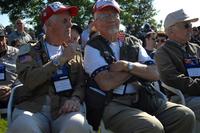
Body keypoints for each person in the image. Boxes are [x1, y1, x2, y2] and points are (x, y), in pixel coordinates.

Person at [84, 0, 195, 133]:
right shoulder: (92, 47)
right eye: (105, 16)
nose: (112, 19)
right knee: (152, 127)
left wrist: (127, 66)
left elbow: (155, 73)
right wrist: (139, 69)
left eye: (115, 15)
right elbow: (107, 83)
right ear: (95, 23)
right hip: (114, 103)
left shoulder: (132, 41)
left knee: (185, 115)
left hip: (145, 97)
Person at [8, 2, 91, 133]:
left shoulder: (75, 53)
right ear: (49, 24)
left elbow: (81, 83)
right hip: (33, 108)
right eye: (65, 21)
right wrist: (60, 59)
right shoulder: (29, 51)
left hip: (64, 108)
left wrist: (75, 99)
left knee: (77, 125)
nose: (70, 25)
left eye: (70, 21)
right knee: (23, 127)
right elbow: (29, 80)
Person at [154, 9, 200, 132]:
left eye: (191, 25)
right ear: (170, 30)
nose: (191, 29)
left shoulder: (196, 48)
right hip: (181, 97)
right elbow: (173, 80)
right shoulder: (162, 52)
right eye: (186, 25)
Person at [0, 29, 19, 115]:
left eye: (1, 39)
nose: (0, 43)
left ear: (6, 38)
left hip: (14, 95)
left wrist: (12, 89)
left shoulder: (17, 53)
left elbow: (24, 74)